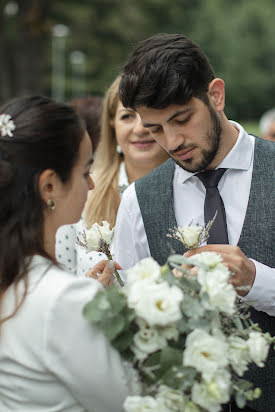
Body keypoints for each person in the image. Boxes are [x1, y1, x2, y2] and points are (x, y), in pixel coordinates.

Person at [113, 34, 275, 411]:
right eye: (155, 129)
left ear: (215, 95)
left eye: (181, 119)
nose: (172, 141)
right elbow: (134, 336)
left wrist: (255, 280)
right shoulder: (138, 202)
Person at [0, 96, 139, 411]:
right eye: (84, 170)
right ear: (49, 186)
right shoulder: (61, 299)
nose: (91, 184)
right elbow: (128, 401)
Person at [56, 75, 169, 277]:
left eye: (149, 115)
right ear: (112, 125)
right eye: (127, 116)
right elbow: (58, 281)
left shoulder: (194, 187)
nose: (139, 128)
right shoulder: (82, 191)